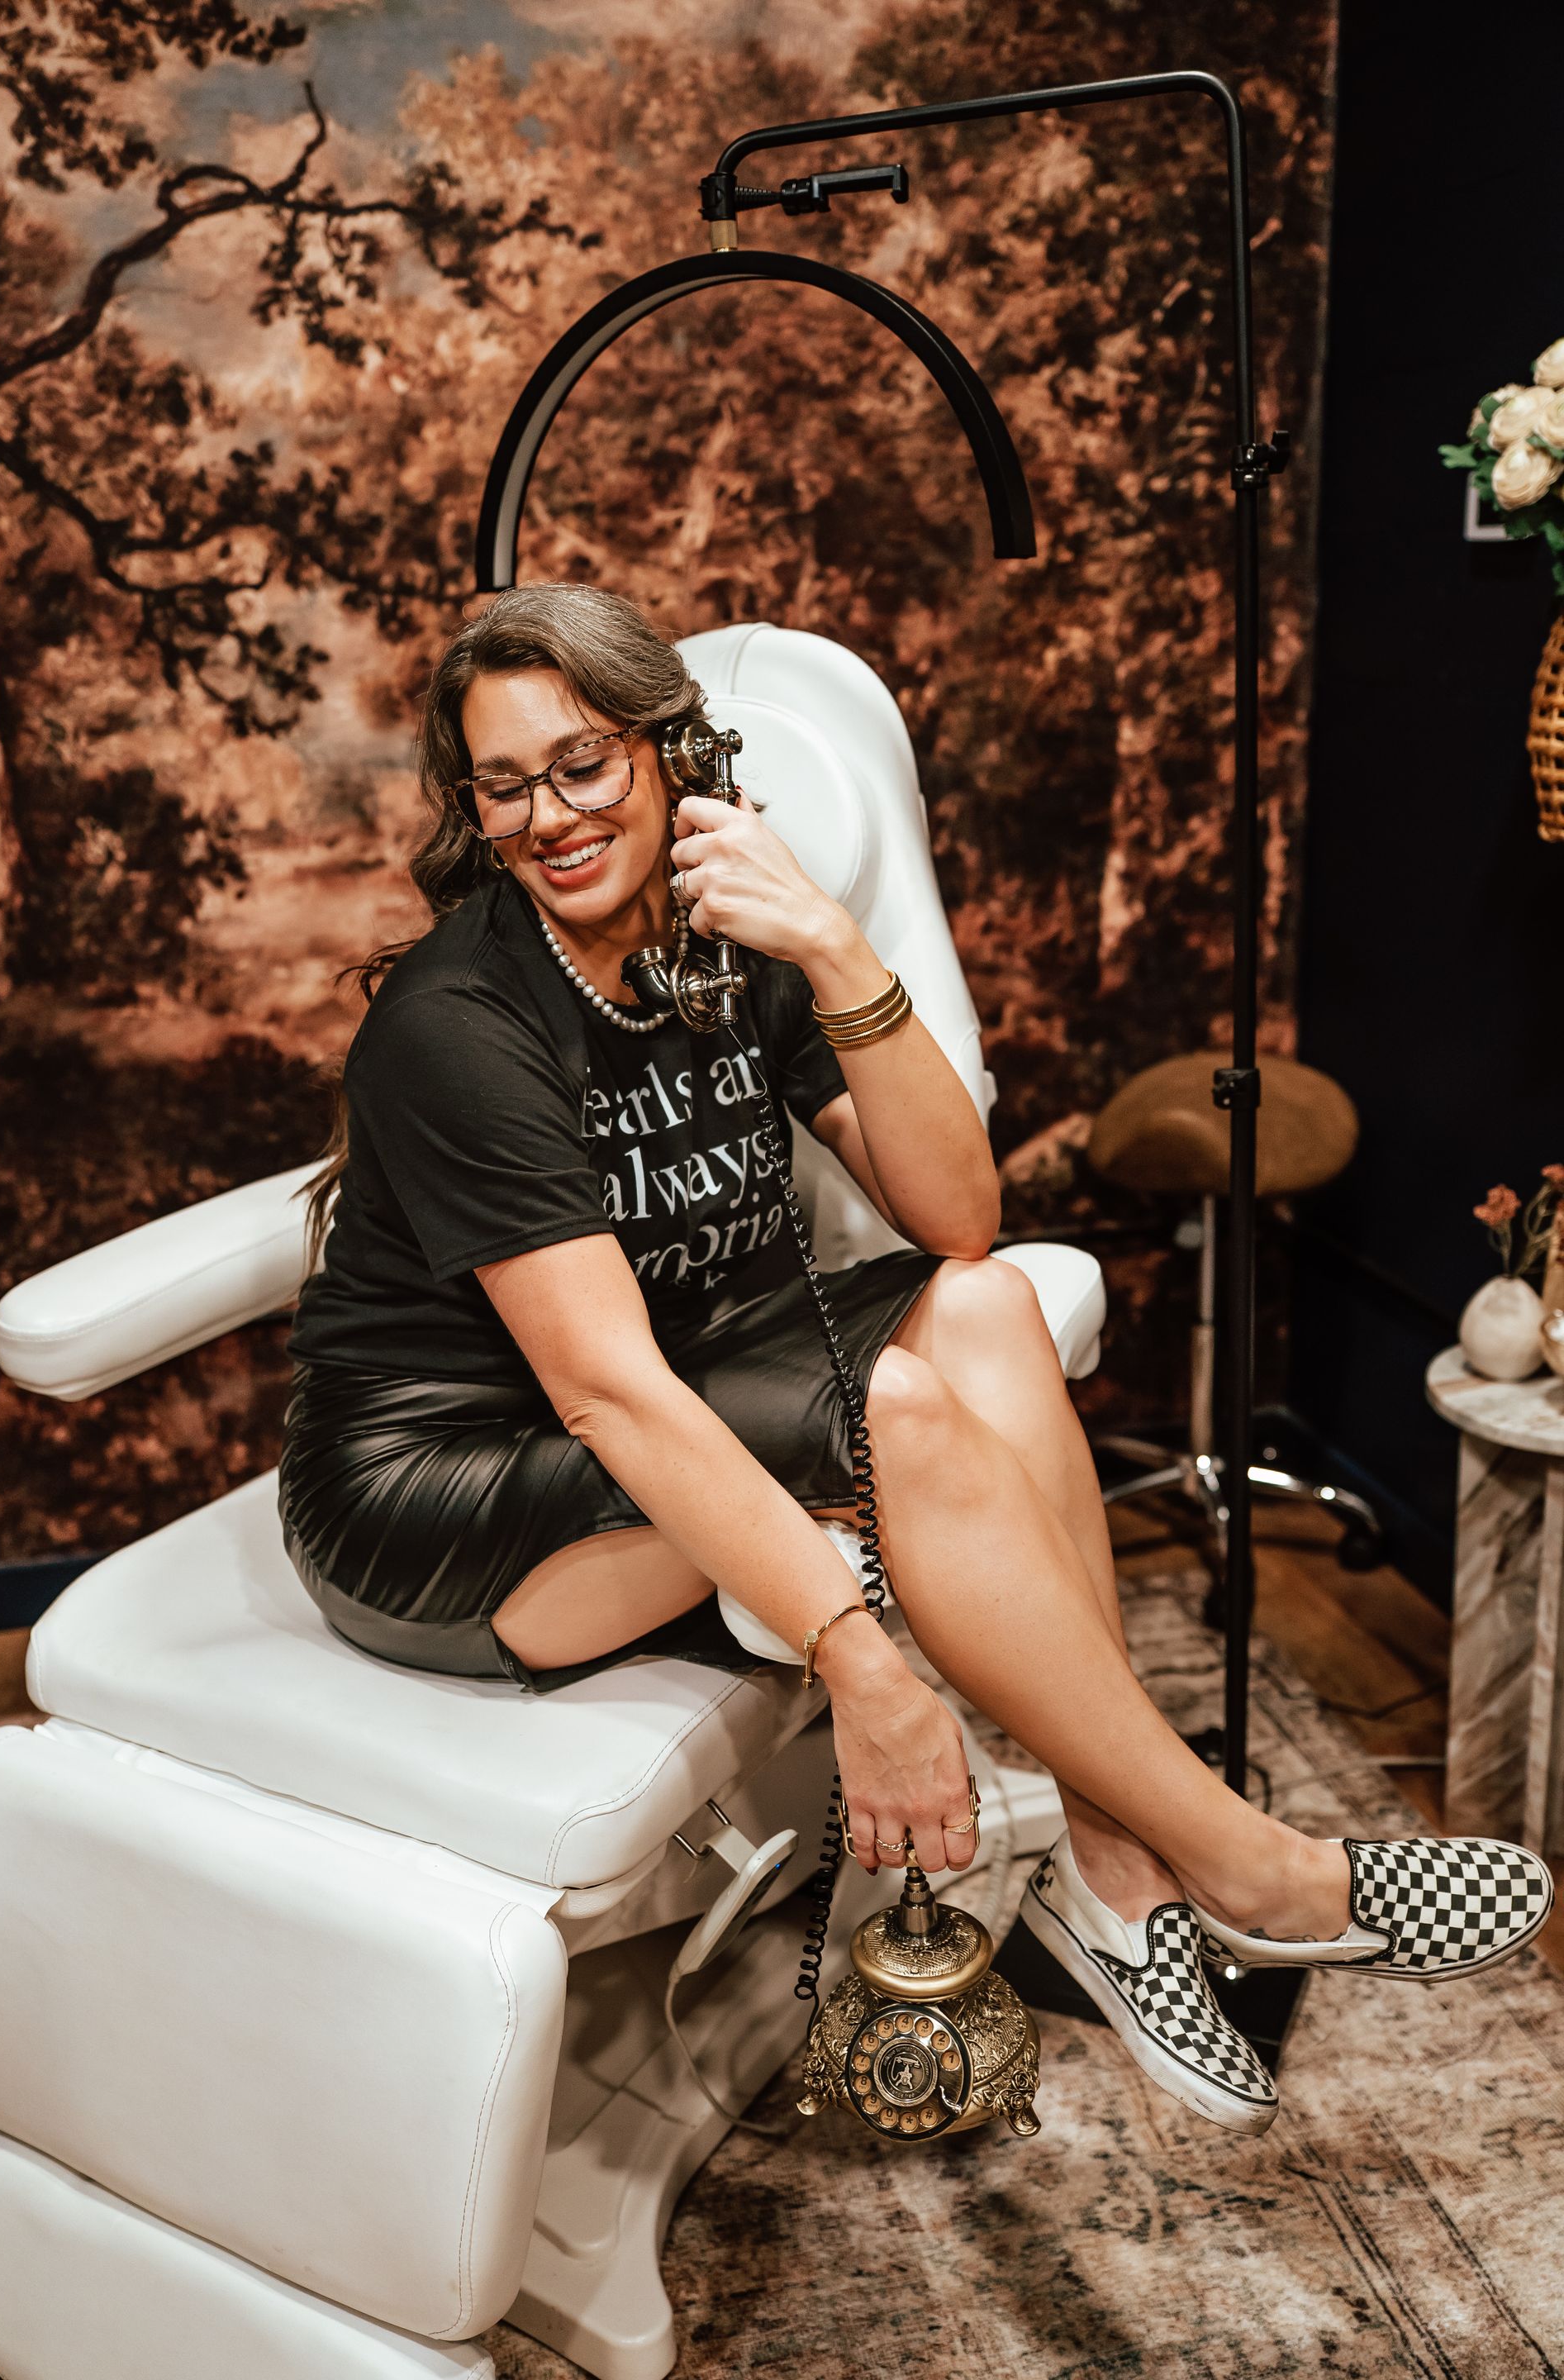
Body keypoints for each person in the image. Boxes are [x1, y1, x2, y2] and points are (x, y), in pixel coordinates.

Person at [281, 582, 1552, 2137]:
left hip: (683, 1376)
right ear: (471, 808)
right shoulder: (460, 1022)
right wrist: (863, 1664)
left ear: (667, 751)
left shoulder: (725, 928)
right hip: (444, 1485)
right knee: (896, 1407)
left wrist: (827, 942)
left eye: (586, 762)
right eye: (506, 782)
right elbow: (606, 1391)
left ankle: (1119, 1863)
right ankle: (1258, 1870)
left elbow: (959, 1216)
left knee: (994, 1309)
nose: (551, 814)